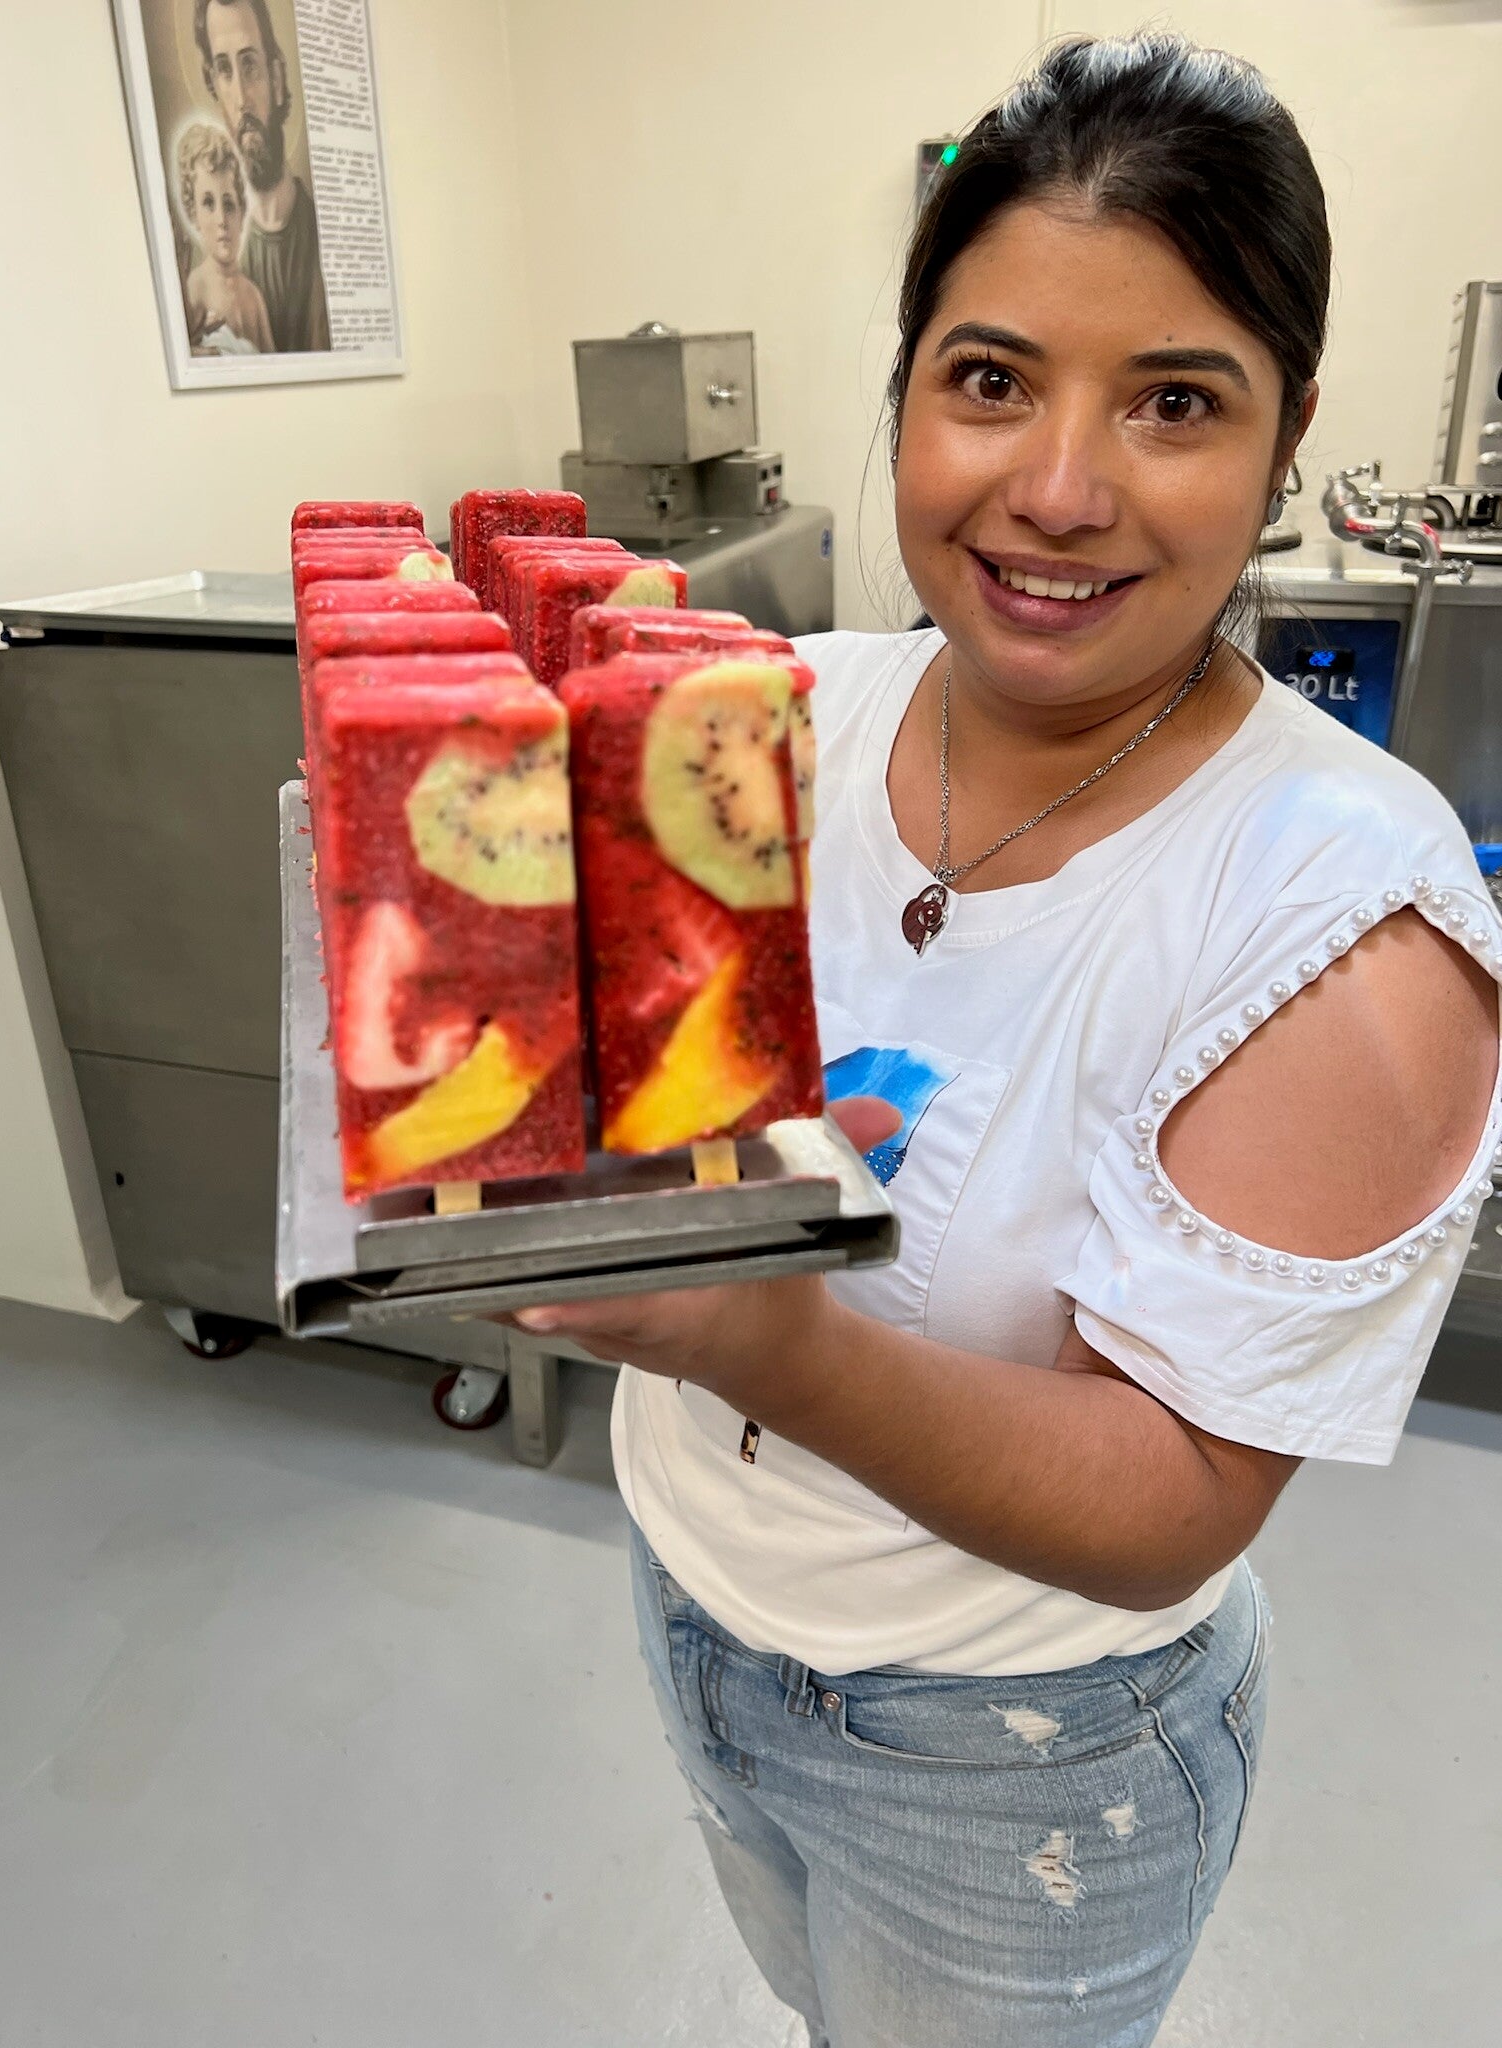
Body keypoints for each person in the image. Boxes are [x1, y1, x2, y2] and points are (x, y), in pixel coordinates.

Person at [510, 33, 1502, 2048]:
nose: (1056, 488)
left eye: (1174, 400)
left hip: (1020, 1755)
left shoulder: (1348, 932)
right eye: (988, 379)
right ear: (905, 388)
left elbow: (1174, 1499)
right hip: (695, 1592)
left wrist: (767, 1339)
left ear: (1289, 436)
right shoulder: (776, 719)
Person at [192, 0, 329, 353]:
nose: (242, 99)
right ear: (213, 85)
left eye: (250, 66)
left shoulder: (320, 234)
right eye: (225, 71)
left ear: (277, 78)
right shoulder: (213, 258)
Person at [175, 122, 275, 354]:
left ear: (242, 211)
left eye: (229, 205)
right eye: (208, 203)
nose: (222, 219)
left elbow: (273, 360)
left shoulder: (253, 296)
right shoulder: (195, 289)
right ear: (193, 213)